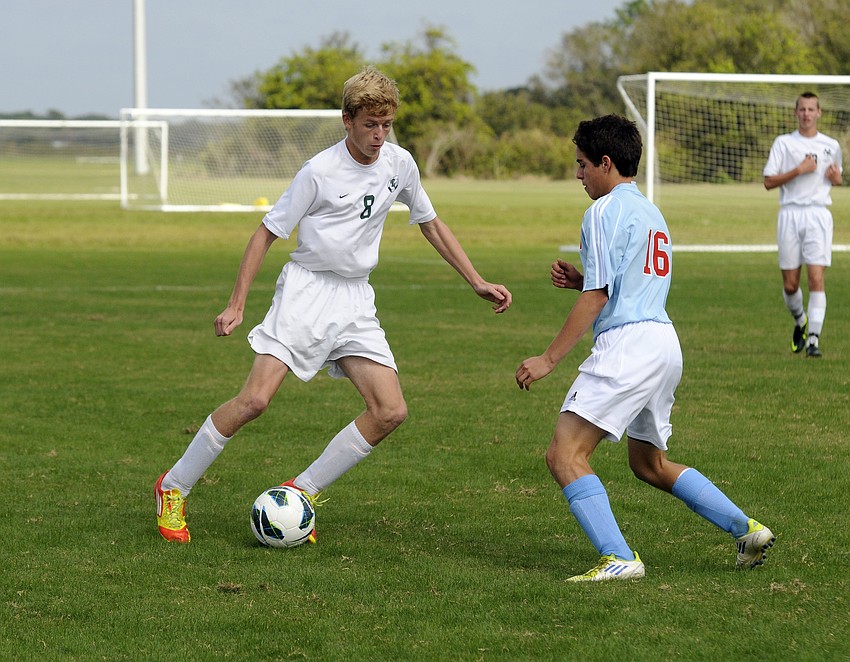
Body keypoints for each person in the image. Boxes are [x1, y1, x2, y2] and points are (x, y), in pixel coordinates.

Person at [155, 66, 512, 543]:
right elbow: (265, 233)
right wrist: (236, 303)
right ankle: (173, 487)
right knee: (255, 401)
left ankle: (300, 492)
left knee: (390, 411)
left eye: (386, 125)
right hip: (305, 292)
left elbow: (430, 222)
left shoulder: (400, 164)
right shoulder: (318, 172)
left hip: (355, 299)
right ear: (347, 120)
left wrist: (476, 280)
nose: (379, 135)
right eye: (370, 124)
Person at [515, 114, 775, 581]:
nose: (578, 175)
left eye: (581, 165)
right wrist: (583, 280)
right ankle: (747, 528)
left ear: (606, 163)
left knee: (564, 454)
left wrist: (548, 357)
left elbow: (600, 297)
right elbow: (621, 283)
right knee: (649, 463)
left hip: (628, 346)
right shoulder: (651, 212)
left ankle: (619, 558)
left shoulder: (602, 211)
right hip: (663, 343)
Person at [764, 92, 843, 358]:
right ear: (795, 112)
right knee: (790, 285)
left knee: (816, 278)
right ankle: (800, 320)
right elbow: (768, 182)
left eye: (811, 109)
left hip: (818, 216)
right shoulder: (783, 143)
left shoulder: (831, 145)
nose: (807, 114)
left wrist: (836, 178)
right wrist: (799, 169)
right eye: (802, 109)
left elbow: (837, 178)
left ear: (819, 113)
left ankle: (814, 340)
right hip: (790, 214)